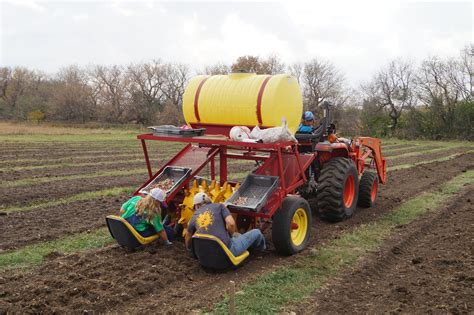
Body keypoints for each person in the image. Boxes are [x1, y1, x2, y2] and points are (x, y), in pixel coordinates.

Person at [185, 192, 266, 256]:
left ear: (197, 206)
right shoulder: (220, 206)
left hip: (205, 255)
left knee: (237, 235)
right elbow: (231, 224)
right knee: (257, 232)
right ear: (208, 200)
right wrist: (230, 236)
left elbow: (188, 236)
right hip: (226, 253)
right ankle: (259, 253)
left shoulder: (194, 216)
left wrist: (190, 250)